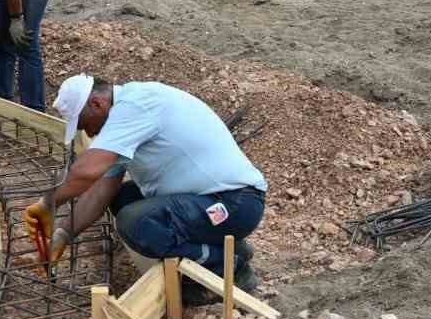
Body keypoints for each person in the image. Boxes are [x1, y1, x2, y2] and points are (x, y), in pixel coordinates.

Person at [24, 75, 267, 305]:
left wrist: (48, 202)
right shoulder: (125, 117)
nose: (87, 133)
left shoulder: (136, 106)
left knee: (134, 222)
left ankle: (228, 267)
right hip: (210, 200)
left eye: (85, 124)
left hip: (235, 203)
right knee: (122, 199)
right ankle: (222, 247)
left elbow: (86, 170)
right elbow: (99, 193)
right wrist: (63, 235)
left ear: (96, 104)